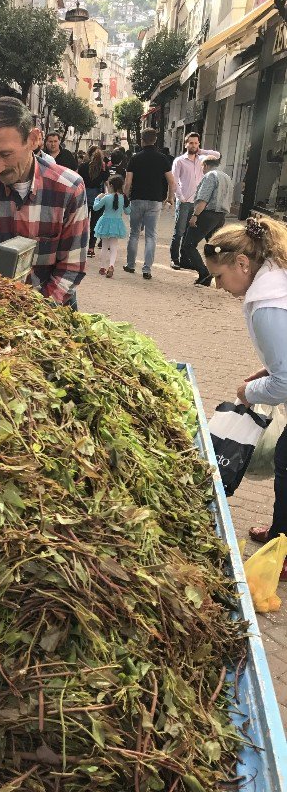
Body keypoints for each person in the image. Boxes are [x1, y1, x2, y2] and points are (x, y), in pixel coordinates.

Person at [206, 215, 287, 580]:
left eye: (219, 276)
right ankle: (279, 536)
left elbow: (286, 381)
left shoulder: (268, 307)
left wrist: (248, 391)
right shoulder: (274, 276)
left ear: (242, 263)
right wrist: (270, 371)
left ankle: (283, 553)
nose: (217, 285)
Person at [0, 96, 88, 308]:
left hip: (53, 310)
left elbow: (71, 267)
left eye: (6, 154)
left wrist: (33, 314)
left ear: (34, 139)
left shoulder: (69, 188)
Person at [122, 128, 175, 280]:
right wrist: (170, 197)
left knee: (134, 233)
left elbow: (128, 182)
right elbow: (172, 181)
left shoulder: (135, 158)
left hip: (137, 198)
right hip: (155, 200)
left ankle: (131, 265)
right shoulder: (163, 159)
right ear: (155, 140)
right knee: (151, 235)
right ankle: (147, 269)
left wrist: (125, 196)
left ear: (142, 140)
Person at [181, 156, 234, 287]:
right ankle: (222, 274)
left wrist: (195, 215)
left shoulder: (210, 176)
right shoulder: (226, 177)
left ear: (205, 165)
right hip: (221, 215)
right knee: (214, 247)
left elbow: (203, 198)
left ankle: (204, 273)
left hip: (207, 214)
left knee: (189, 244)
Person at [170, 133, 220, 269]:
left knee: (190, 232)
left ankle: (185, 260)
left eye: (196, 143)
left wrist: (201, 151)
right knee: (179, 231)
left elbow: (217, 155)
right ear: (185, 144)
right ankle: (175, 259)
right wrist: (181, 197)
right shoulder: (179, 161)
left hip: (198, 203)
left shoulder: (202, 159)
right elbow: (174, 181)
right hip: (185, 201)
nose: (193, 145)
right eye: (191, 143)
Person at [92, 176, 130, 279]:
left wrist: (97, 198)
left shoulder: (106, 197)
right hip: (117, 223)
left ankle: (102, 267)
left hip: (105, 222)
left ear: (111, 185)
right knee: (114, 247)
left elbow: (95, 208)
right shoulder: (123, 197)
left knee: (104, 246)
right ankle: (111, 265)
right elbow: (128, 211)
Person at [78, 147, 109, 258]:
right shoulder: (102, 168)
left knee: (82, 223)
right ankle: (91, 247)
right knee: (95, 223)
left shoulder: (82, 166)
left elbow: (78, 180)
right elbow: (106, 180)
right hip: (98, 197)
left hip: (84, 196)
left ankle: (80, 246)